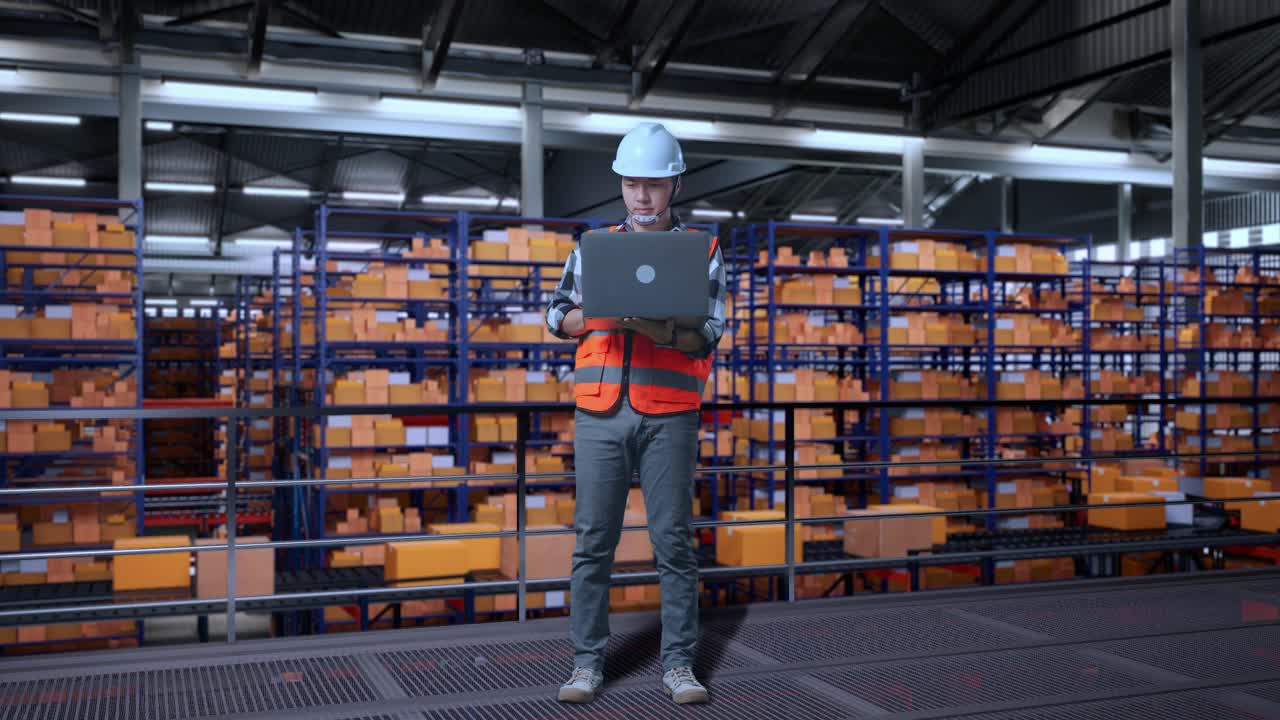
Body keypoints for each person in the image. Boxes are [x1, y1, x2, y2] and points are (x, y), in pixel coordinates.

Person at [545, 122, 726, 705]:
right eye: (630, 185)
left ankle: (678, 665)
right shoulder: (591, 246)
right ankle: (586, 664)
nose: (640, 197)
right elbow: (555, 318)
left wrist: (659, 327)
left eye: (652, 185)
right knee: (593, 540)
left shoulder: (703, 248)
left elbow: (711, 334)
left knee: (672, 540)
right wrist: (601, 314)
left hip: (668, 411)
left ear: (674, 185)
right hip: (600, 411)